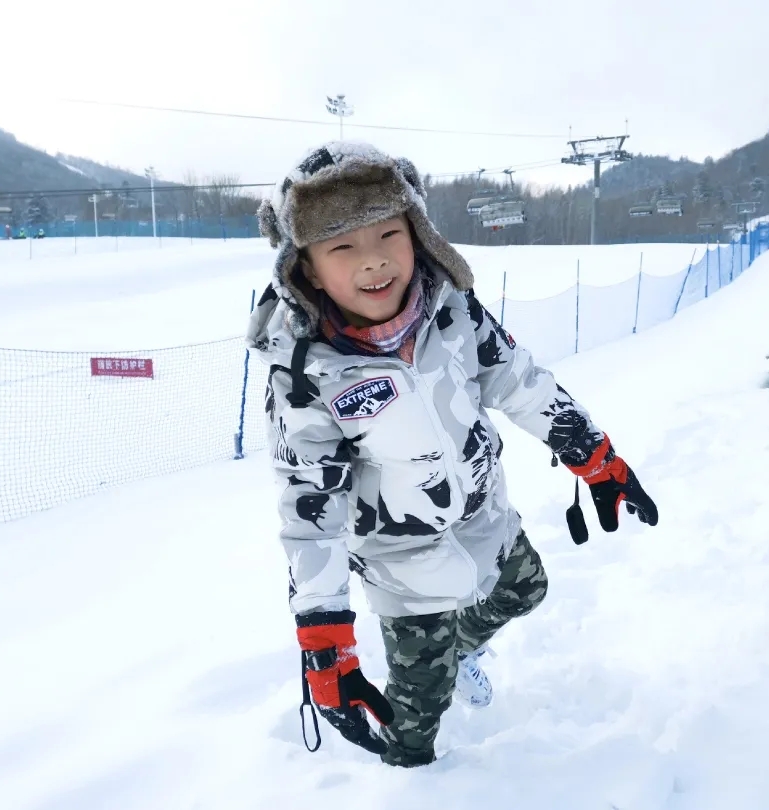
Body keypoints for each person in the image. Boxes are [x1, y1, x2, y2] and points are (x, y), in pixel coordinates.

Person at [246, 142, 659, 768]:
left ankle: (460, 649)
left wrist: (592, 455)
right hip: (402, 559)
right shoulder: (306, 375)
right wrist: (326, 644)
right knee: (418, 717)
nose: (374, 259)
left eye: (389, 233)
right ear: (305, 268)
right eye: (343, 246)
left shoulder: (452, 311)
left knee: (527, 589)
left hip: (482, 515)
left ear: (418, 233)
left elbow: (519, 381)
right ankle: (407, 768)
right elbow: (310, 508)